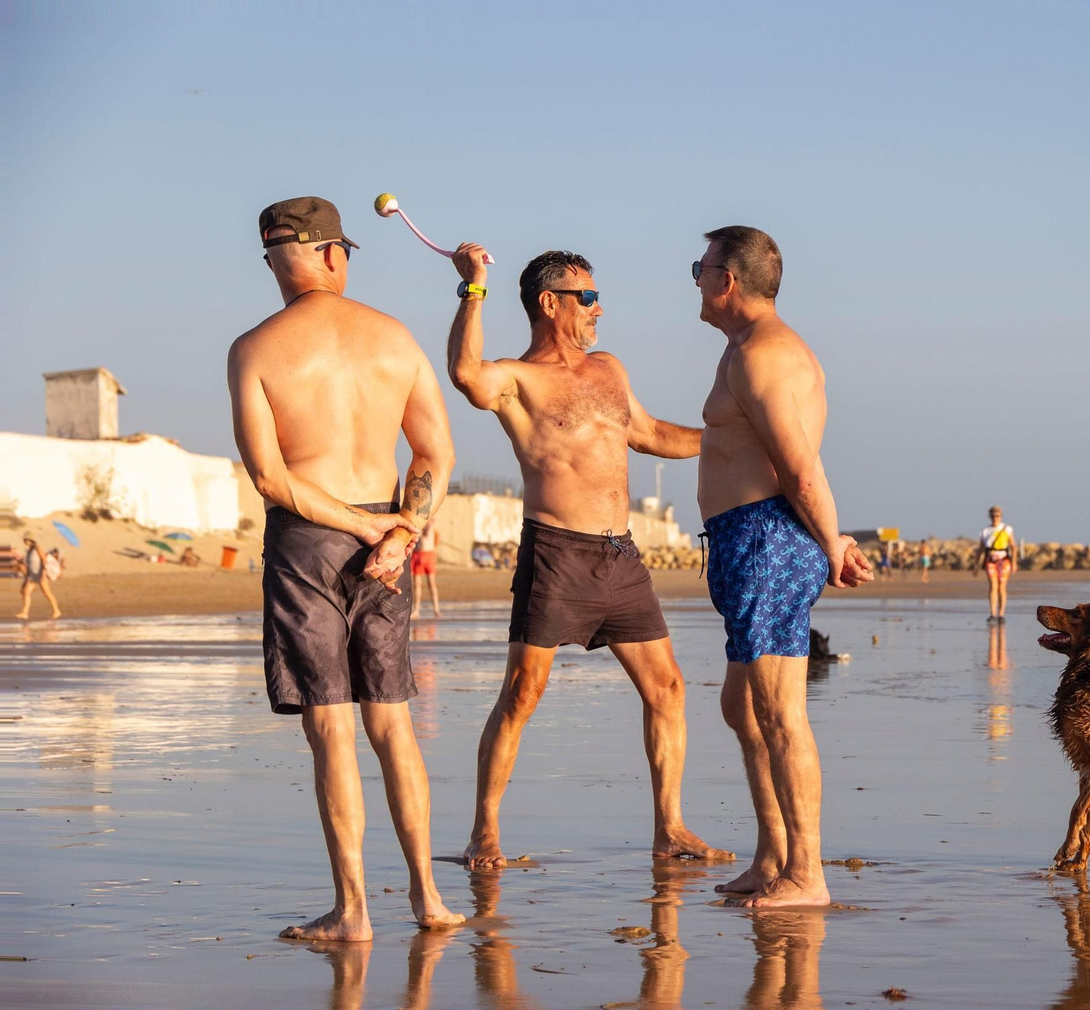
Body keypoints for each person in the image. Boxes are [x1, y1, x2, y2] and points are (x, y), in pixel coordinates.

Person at [446, 241, 727, 870]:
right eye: (588, 297)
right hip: (556, 554)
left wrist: (733, 439)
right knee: (523, 692)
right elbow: (466, 374)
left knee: (669, 688)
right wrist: (473, 288)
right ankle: (484, 832)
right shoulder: (518, 380)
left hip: (620, 557)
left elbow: (651, 435)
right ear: (550, 303)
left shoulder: (610, 369)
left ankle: (670, 827)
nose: (600, 308)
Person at [229, 197, 462, 940]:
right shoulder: (393, 338)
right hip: (385, 542)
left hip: (308, 540)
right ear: (335, 254)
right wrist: (400, 532)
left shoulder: (255, 349)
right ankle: (429, 899)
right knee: (393, 724)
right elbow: (434, 454)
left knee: (331, 730)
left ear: (277, 261)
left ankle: (354, 912)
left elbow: (270, 477)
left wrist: (361, 525)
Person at [694, 224, 874, 907]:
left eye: (699, 266)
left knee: (779, 712)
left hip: (767, 541)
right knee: (741, 705)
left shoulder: (763, 356)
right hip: (749, 540)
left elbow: (799, 466)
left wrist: (832, 541)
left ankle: (808, 872)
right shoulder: (747, 350)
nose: (694, 279)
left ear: (727, 280)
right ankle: (774, 855)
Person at [971, 506, 1019, 620]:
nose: (995, 518)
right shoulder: (985, 531)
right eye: (993, 516)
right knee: (993, 586)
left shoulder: (1007, 529)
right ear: (990, 517)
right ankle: (993, 613)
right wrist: (976, 564)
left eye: (997, 516)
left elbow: (1013, 546)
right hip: (990, 560)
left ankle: (1001, 614)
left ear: (1001, 516)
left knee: (1002, 586)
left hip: (1004, 560)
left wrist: (1014, 563)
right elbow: (980, 549)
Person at [15, 536, 61, 619]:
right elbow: (30, 565)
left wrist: (43, 573)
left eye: (26, 540)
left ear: (30, 540)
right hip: (32, 575)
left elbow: (44, 560)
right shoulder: (29, 550)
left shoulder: (37, 547)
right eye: (24, 540)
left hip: (40, 575)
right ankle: (25, 613)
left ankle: (56, 611)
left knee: (47, 593)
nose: (25, 541)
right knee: (26, 592)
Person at [409, 517, 442, 619]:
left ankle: (436, 609)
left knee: (431, 583)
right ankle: (416, 610)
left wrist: (434, 551)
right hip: (417, 555)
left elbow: (435, 537)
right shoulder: (416, 521)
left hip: (429, 554)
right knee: (417, 584)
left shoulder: (433, 522)